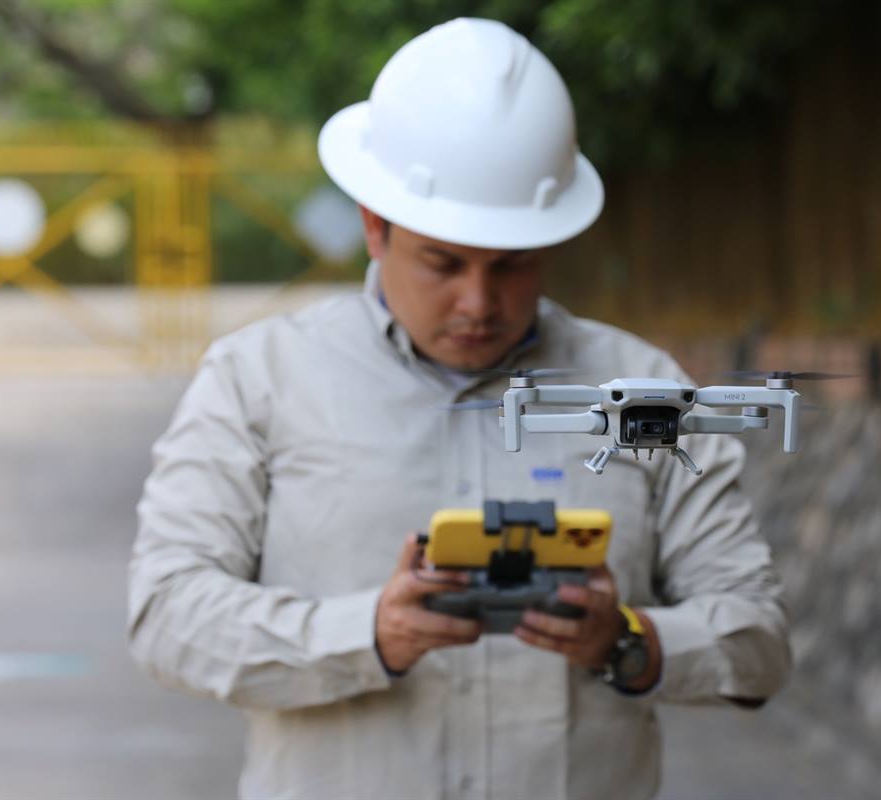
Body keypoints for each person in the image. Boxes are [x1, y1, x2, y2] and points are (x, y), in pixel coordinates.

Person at [128, 17, 790, 800]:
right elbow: (167, 615)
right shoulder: (258, 379)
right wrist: (364, 635)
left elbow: (757, 640)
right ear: (375, 226)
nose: (480, 302)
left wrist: (629, 641)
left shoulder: (640, 390)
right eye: (443, 263)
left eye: (513, 266)